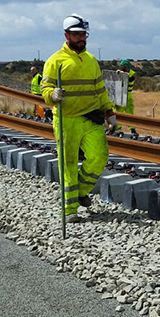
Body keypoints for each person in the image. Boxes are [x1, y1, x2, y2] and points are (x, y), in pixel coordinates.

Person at [40, 14, 117, 223]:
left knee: (99, 156)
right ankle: (70, 209)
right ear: (66, 35)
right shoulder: (55, 61)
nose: (81, 38)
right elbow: (45, 88)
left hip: (91, 118)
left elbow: (100, 90)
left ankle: (81, 191)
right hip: (67, 120)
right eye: (76, 34)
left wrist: (109, 113)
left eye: (83, 34)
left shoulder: (91, 60)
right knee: (69, 164)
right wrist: (52, 95)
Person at [114, 59, 137, 132]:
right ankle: (118, 128)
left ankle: (132, 129)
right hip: (120, 95)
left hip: (128, 94)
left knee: (129, 113)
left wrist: (122, 74)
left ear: (126, 66)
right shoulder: (119, 73)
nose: (121, 67)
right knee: (118, 112)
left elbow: (130, 79)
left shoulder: (133, 73)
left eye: (122, 66)